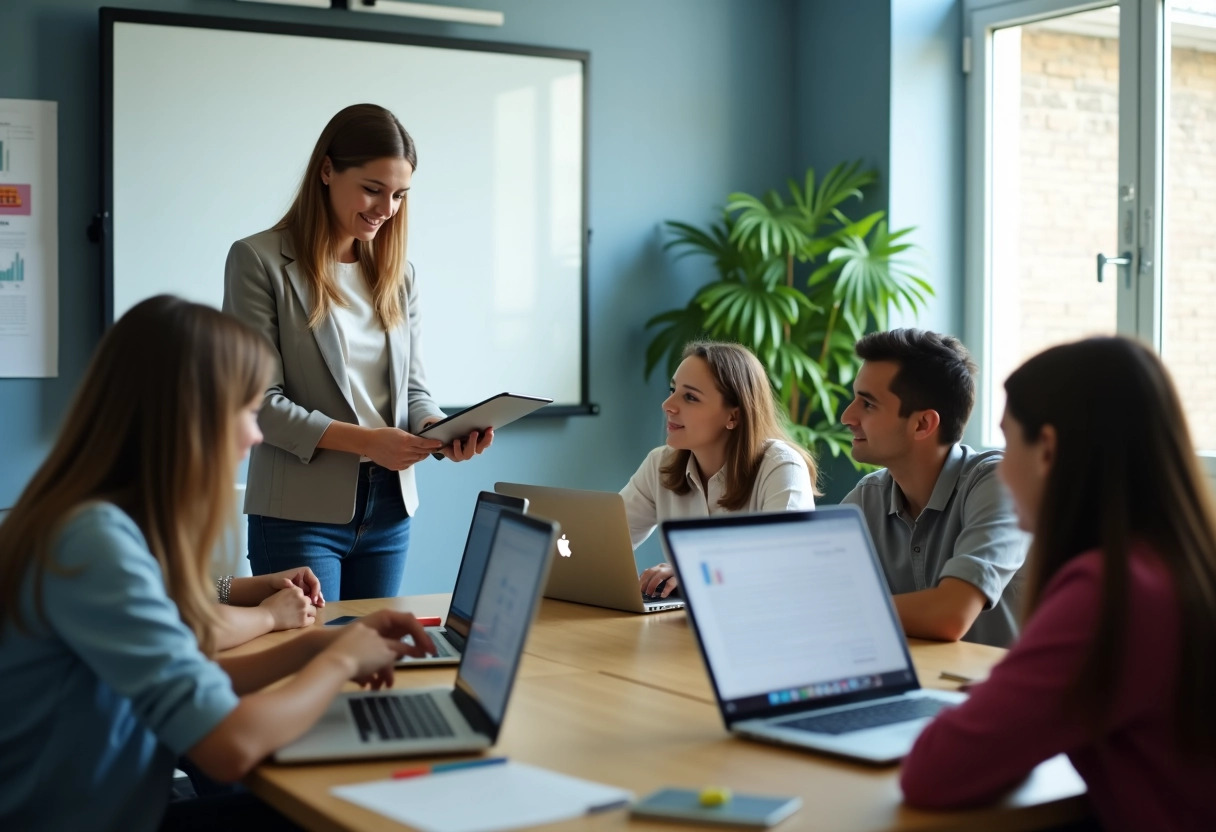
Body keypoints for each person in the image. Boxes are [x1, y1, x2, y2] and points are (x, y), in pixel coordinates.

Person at [0, 296, 435, 831]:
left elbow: (192, 671)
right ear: (189, 416)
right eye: (246, 412)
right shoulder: (93, 542)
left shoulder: (98, 521)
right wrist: (340, 664)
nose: (255, 436)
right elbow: (231, 744)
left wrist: (324, 643)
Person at [901, 337, 1216, 831]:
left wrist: (994, 703)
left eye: (1008, 444)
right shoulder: (1179, 563)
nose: (1003, 469)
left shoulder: (1110, 594)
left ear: (1047, 449)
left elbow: (932, 772)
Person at [223, 103, 491, 602]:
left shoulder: (398, 273)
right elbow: (260, 404)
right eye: (372, 189)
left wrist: (436, 429)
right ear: (327, 170)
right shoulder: (257, 261)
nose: (386, 209)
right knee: (313, 661)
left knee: (370, 665)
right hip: (297, 514)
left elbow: (413, 390)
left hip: (390, 509)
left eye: (399, 195)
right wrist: (369, 442)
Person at [840, 329, 1026, 647]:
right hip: (929, 685)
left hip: (1013, 691)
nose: (847, 417)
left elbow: (950, 614)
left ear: (923, 424)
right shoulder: (866, 497)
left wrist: (836, 610)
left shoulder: (999, 483)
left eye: (868, 405)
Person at [633, 341, 819, 598]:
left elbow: (785, 568)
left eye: (690, 397)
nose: (668, 404)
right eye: (672, 389)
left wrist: (692, 573)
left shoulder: (781, 467)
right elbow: (603, 542)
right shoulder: (660, 464)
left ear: (733, 417)